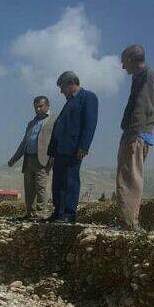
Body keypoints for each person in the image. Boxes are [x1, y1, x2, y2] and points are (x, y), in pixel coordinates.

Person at [116, 44, 154, 231]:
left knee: (129, 178)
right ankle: (126, 221)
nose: (122, 67)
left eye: (124, 62)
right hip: (135, 133)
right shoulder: (141, 77)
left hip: (135, 134)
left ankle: (128, 223)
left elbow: (142, 107)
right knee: (127, 177)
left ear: (131, 59)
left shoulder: (147, 76)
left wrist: (132, 135)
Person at [46, 71, 98, 223]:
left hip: (73, 147)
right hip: (59, 148)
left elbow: (90, 123)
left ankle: (69, 213)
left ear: (71, 83)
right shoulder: (69, 101)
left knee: (70, 180)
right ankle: (58, 211)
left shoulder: (87, 97)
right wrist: (52, 150)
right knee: (58, 181)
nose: (61, 91)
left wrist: (84, 146)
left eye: (62, 87)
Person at [8, 96, 55, 219]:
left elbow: (57, 140)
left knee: (41, 187)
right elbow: (24, 142)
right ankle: (30, 213)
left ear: (47, 106)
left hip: (42, 160)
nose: (38, 109)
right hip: (29, 159)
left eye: (40, 106)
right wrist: (14, 159)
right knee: (29, 188)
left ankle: (40, 213)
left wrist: (53, 156)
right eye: (36, 107)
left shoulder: (53, 121)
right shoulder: (31, 123)